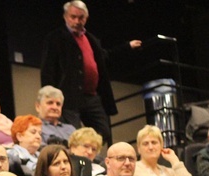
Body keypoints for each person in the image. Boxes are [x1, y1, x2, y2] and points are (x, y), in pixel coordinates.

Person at [41, 1, 141, 145]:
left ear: (86, 18)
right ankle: (80, 166)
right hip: (69, 98)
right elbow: (47, 70)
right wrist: (49, 98)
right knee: (72, 137)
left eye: (80, 17)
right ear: (65, 17)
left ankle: (92, 163)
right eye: (73, 17)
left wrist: (127, 46)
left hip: (92, 97)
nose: (77, 21)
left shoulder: (91, 39)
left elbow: (105, 56)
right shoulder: (55, 38)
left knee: (103, 132)